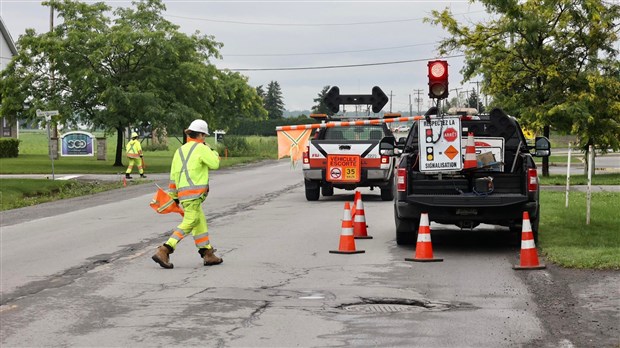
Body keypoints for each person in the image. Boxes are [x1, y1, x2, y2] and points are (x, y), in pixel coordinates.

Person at [152, 119, 222, 269]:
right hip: (195, 194)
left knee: (199, 221)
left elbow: (174, 175)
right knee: (190, 221)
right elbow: (215, 163)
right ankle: (165, 249)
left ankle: (207, 253)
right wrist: (212, 151)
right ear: (202, 135)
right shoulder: (202, 148)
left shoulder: (179, 151)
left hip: (183, 194)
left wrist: (174, 196)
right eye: (205, 136)